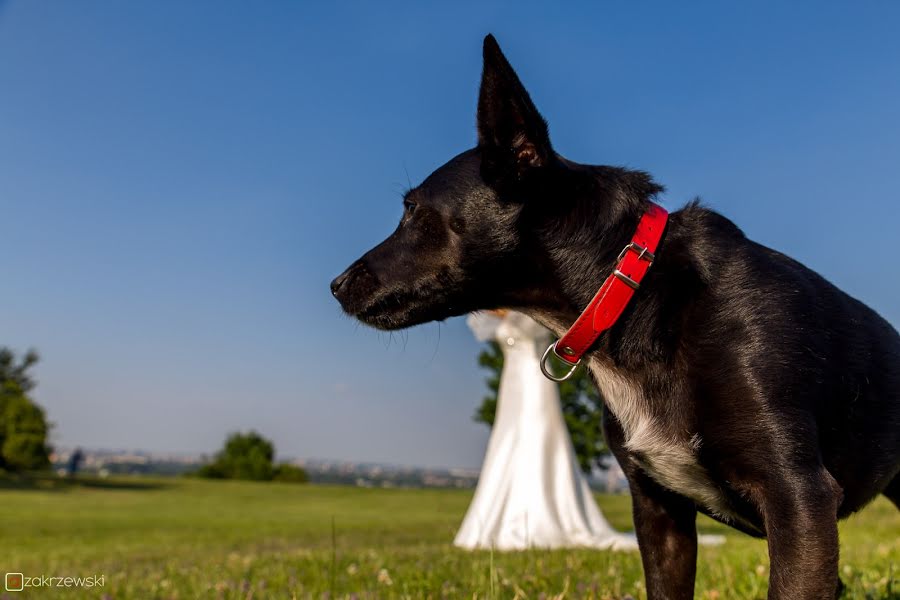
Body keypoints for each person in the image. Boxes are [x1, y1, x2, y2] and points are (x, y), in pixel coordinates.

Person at [455, 310, 639, 550]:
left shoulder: (531, 312)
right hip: (511, 388)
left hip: (536, 381)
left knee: (539, 437)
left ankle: (544, 513)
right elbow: (478, 319)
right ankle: (495, 519)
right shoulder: (496, 315)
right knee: (506, 442)